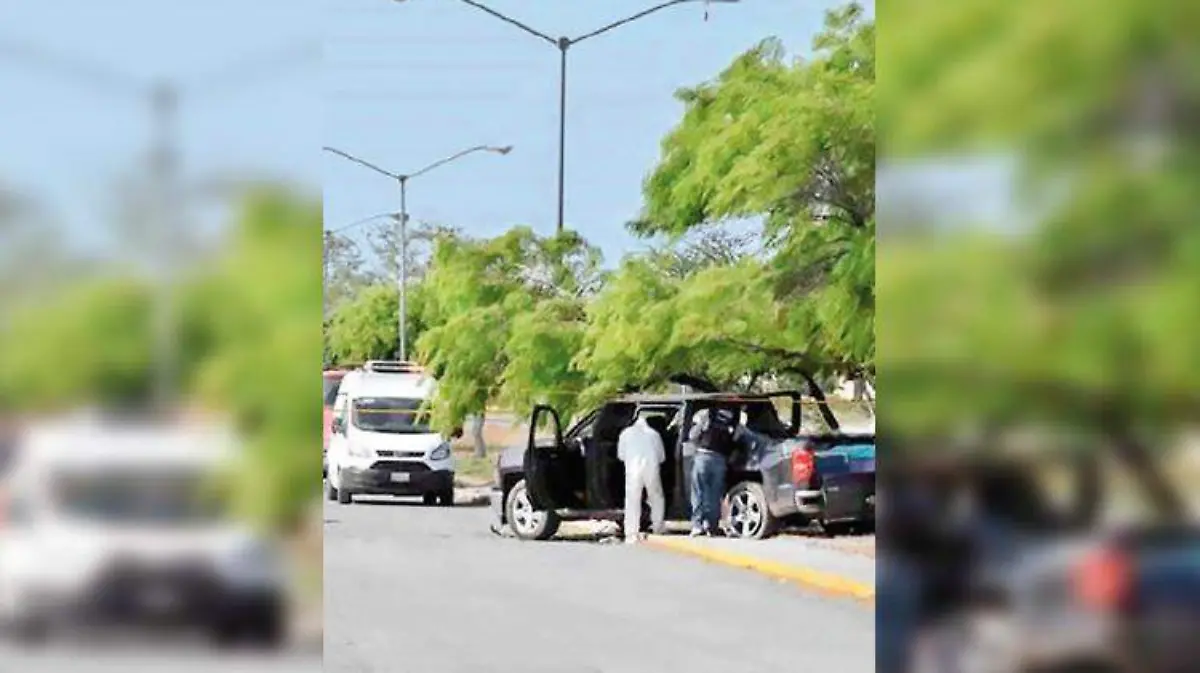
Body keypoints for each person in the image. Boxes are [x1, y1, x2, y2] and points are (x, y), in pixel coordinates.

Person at [686, 404, 739, 536]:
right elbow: (735, 438)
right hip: (720, 459)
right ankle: (712, 526)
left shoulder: (705, 414)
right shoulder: (732, 417)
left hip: (703, 457)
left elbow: (692, 435)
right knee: (714, 495)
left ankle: (697, 525)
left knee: (698, 492)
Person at [616, 415, 666, 544]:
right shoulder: (654, 434)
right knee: (656, 498)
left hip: (633, 471)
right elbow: (662, 457)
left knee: (632, 501)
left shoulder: (625, 434)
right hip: (651, 469)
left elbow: (621, 455)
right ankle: (658, 527)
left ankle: (631, 533)